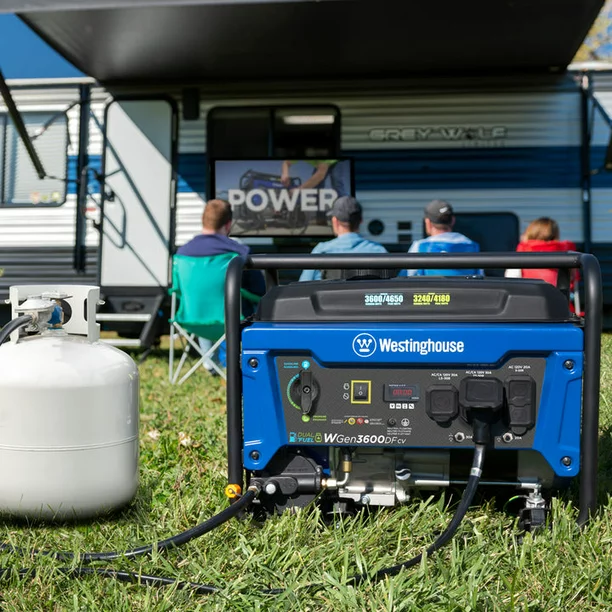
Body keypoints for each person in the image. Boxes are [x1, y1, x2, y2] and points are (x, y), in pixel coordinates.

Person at [177, 199, 266, 371]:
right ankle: (239, 363)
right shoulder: (239, 252)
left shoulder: (182, 253)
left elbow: (178, 290)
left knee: (204, 302)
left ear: (203, 220)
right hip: (231, 322)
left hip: (191, 320)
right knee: (245, 303)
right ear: (228, 224)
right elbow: (260, 291)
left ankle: (209, 362)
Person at [299, 196, 388, 282]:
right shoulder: (378, 251)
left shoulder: (321, 251)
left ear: (335, 221)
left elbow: (302, 286)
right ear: (361, 220)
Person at [400, 200, 483, 277]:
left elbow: (404, 278)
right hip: (464, 289)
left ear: (428, 222)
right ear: (453, 220)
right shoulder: (472, 245)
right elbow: (480, 277)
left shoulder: (420, 246)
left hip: (431, 288)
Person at [505, 217, 578, 286]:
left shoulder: (523, 250)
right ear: (556, 235)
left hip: (528, 293)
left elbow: (511, 278)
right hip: (558, 294)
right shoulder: (565, 252)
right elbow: (573, 278)